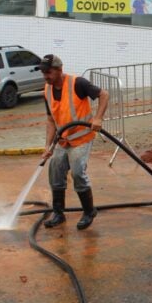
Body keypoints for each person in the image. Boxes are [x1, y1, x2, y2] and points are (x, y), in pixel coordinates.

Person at [39, 54, 109, 230]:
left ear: (59, 70)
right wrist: (47, 147)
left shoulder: (78, 83)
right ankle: (58, 214)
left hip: (82, 138)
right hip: (63, 140)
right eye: (43, 73)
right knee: (55, 171)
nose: (46, 76)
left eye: (49, 72)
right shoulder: (46, 90)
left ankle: (88, 211)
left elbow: (104, 95)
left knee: (78, 173)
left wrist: (98, 118)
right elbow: (50, 120)